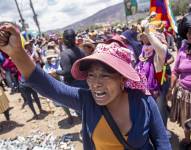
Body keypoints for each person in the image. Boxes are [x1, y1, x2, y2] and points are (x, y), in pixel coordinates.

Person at [0, 23, 171, 150]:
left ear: (122, 79)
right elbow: (48, 86)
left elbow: (162, 143)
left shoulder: (144, 102)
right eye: (90, 75)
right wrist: (17, 52)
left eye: (105, 75)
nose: (95, 83)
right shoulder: (86, 100)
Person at [170, 13, 191, 148]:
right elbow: (175, 71)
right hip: (184, 93)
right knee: (186, 119)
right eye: (188, 32)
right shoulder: (183, 49)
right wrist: (170, 89)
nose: (189, 34)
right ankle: (188, 140)